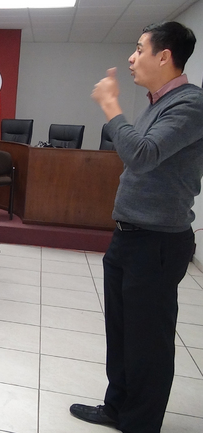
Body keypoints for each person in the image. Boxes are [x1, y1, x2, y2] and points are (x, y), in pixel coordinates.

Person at [69, 22, 203, 433]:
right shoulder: (157, 102)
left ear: (164, 56)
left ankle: (140, 424)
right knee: (122, 332)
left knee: (148, 342)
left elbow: (141, 155)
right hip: (128, 235)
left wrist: (111, 106)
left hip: (158, 242)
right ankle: (117, 407)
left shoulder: (191, 105)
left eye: (140, 49)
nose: (131, 57)